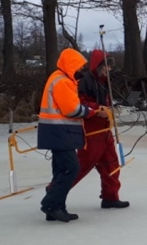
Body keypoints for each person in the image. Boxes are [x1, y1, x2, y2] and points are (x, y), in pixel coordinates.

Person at [37, 48, 109, 223]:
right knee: (71, 168)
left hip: (56, 131)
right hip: (60, 132)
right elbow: (72, 109)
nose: (81, 70)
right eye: (79, 66)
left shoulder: (59, 78)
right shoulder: (63, 81)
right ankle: (51, 204)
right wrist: (92, 112)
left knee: (61, 169)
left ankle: (57, 208)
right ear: (71, 65)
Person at [73, 49, 129, 209]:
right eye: (107, 66)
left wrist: (112, 108)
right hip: (91, 132)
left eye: (110, 67)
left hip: (105, 131)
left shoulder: (104, 83)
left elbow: (104, 103)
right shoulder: (85, 82)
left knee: (111, 165)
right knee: (80, 168)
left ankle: (110, 197)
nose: (109, 70)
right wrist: (100, 109)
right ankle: (54, 194)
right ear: (98, 65)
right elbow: (80, 103)